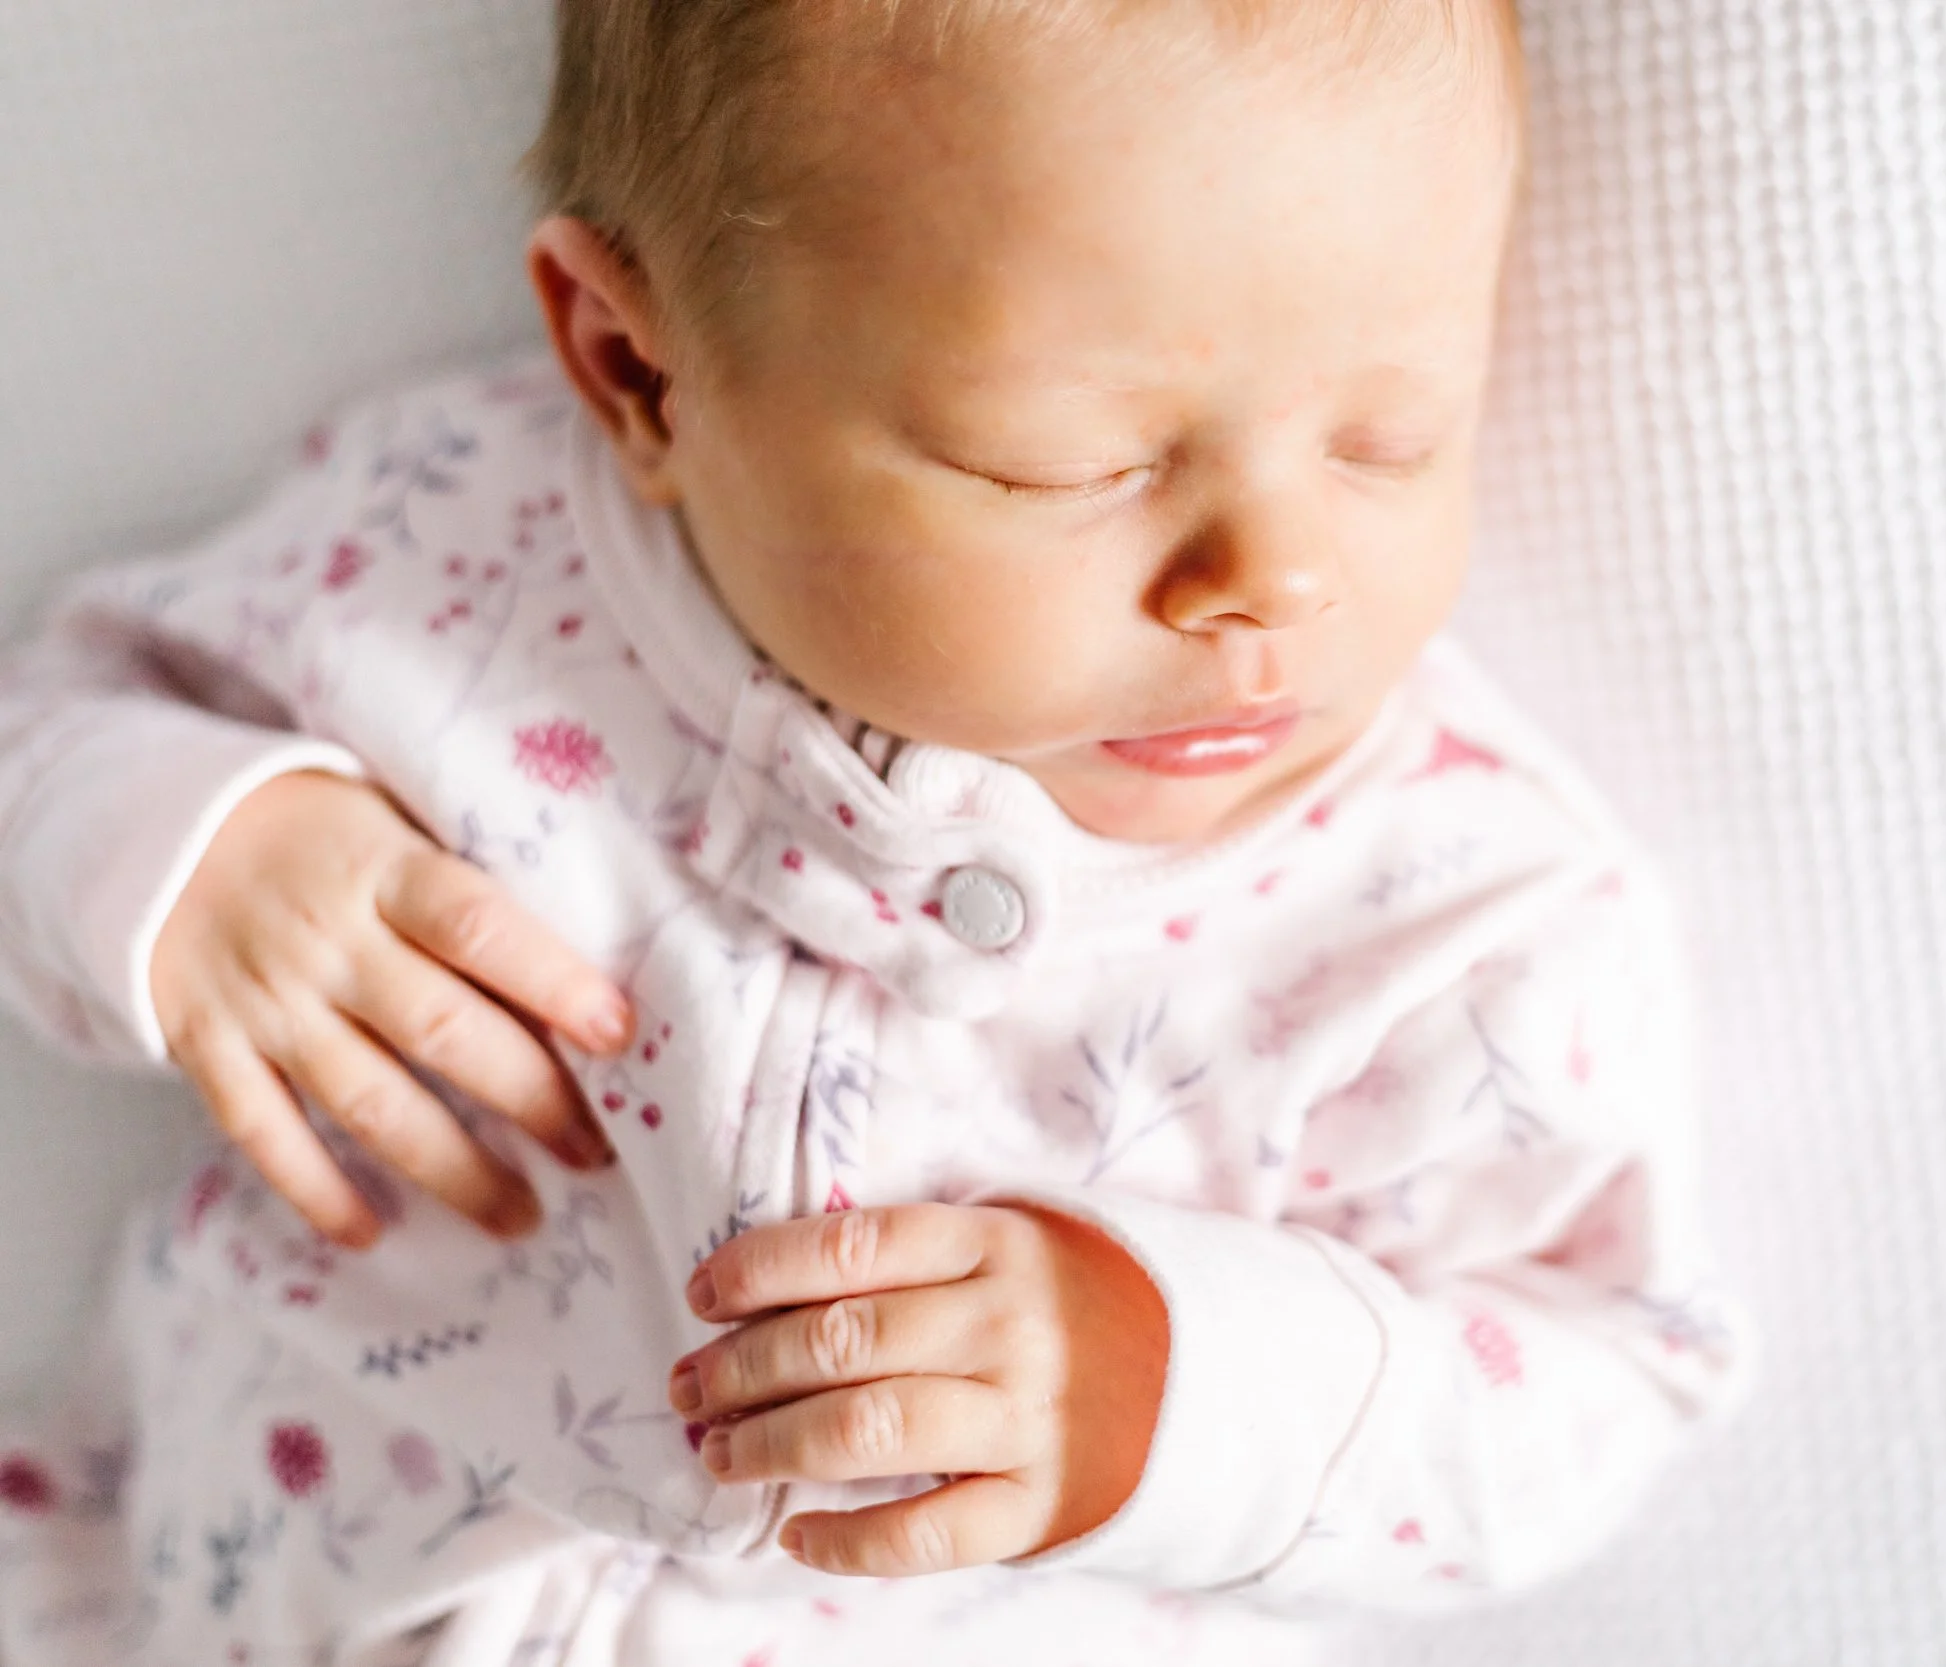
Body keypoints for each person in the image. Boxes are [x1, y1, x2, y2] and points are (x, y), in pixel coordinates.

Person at [0, 2, 1748, 1661]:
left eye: (1391, 435)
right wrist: (200, 855)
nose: (1274, 577)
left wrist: (1176, 1391)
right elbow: (49, 731)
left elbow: (1611, 1367)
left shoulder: (1445, 917)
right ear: (642, 371)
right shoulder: (457, 559)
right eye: (1070, 460)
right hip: (165, 1582)